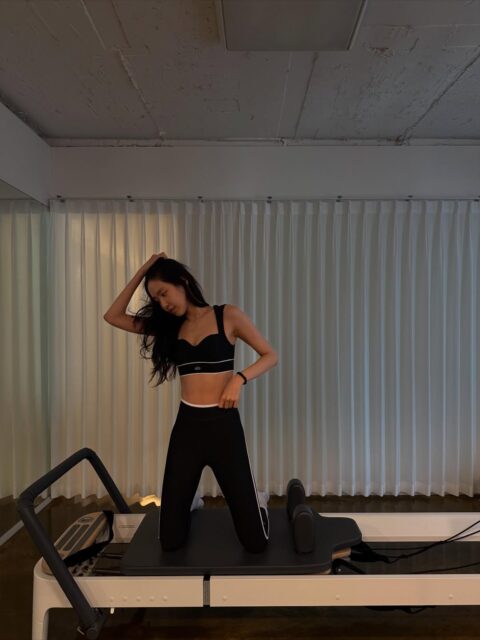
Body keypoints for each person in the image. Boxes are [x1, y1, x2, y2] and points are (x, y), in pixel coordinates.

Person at [103, 253, 278, 553]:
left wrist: (238, 379)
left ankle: (257, 502)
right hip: (187, 427)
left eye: (164, 293)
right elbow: (113, 316)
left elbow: (270, 355)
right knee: (170, 541)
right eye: (156, 299)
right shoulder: (168, 327)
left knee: (255, 543)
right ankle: (190, 501)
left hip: (224, 426)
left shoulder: (227, 316)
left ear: (182, 281)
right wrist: (145, 270)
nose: (163, 303)